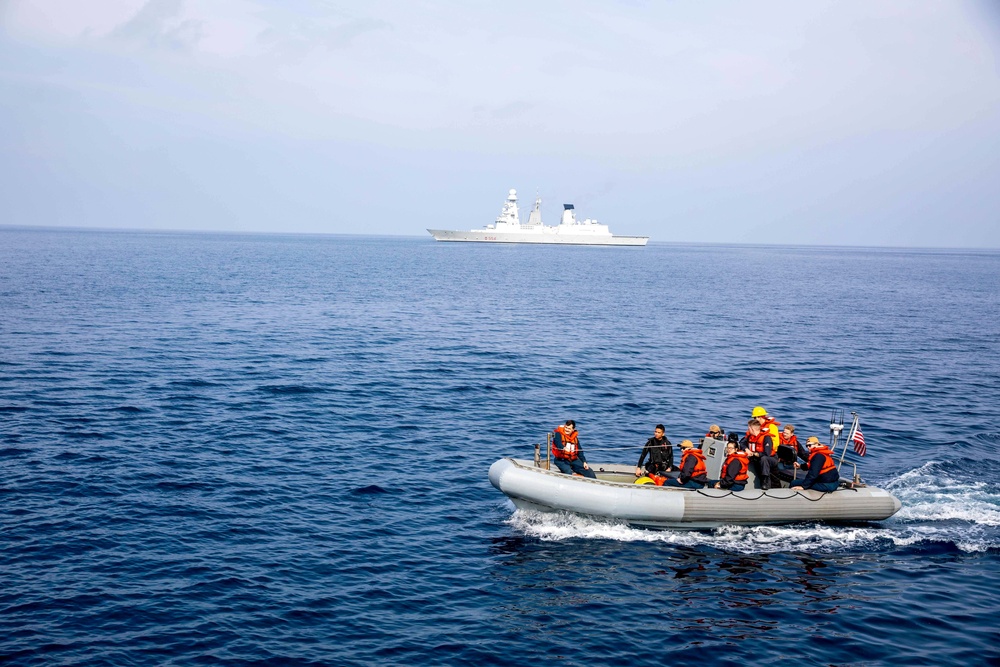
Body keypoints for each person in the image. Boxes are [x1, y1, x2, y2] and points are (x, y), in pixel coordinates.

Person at [741, 419, 780, 490]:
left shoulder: (766, 438)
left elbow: (767, 453)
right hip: (756, 458)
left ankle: (765, 481)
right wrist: (746, 449)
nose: (748, 430)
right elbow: (742, 443)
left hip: (771, 459)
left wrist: (755, 454)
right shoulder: (750, 437)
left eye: (749, 428)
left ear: (752, 429)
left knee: (764, 459)